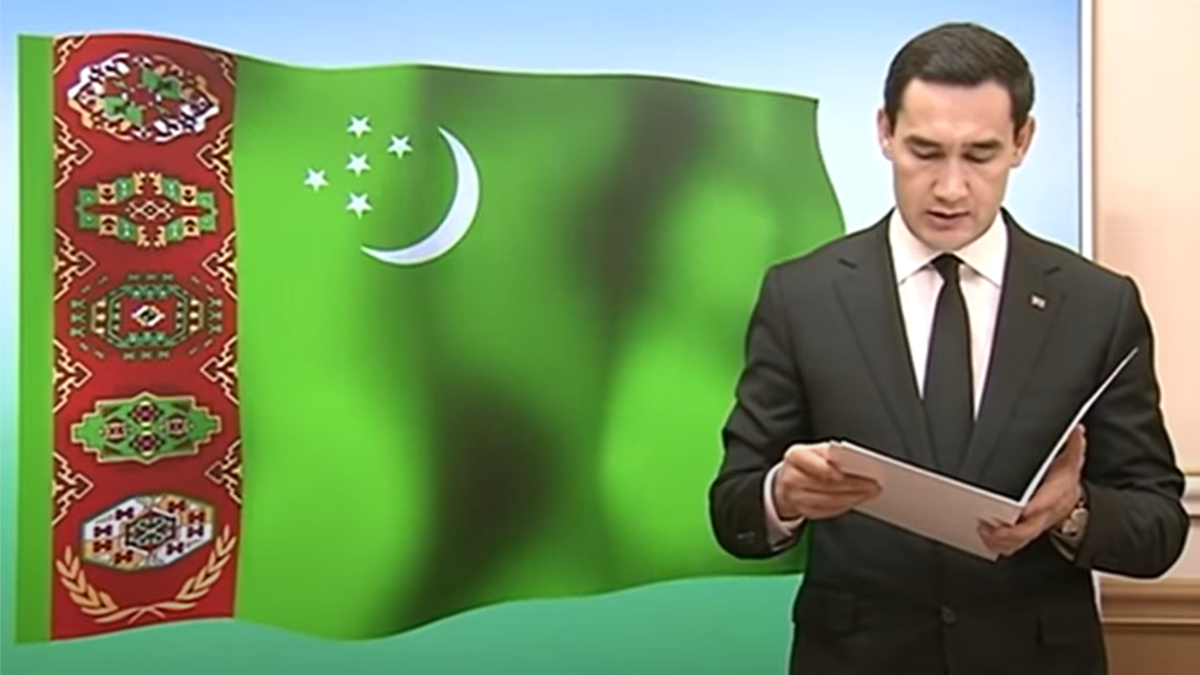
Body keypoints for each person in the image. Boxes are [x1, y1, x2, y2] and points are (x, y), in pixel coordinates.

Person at [708, 21, 1189, 675]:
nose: (951, 188)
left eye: (980, 154)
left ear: (1022, 141)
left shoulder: (1098, 306)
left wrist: (1071, 511)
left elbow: (1159, 525)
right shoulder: (802, 296)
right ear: (885, 132)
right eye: (925, 152)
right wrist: (783, 495)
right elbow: (734, 508)